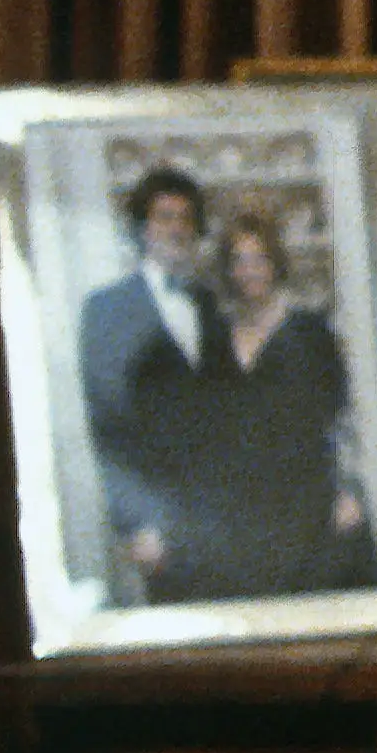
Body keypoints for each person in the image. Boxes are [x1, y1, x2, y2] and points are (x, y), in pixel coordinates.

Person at [154, 207, 377, 603]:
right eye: (239, 260)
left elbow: (344, 421)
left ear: (275, 263)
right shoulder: (215, 341)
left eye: (259, 258)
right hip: (247, 507)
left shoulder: (312, 332)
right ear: (228, 270)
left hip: (311, 500)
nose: (250, 270)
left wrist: (350, 491)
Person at [76, 163, 222, 599]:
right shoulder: (106, 308)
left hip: (225, 517)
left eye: (186, 218)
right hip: (159, 526)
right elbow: (107, 429)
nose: (177, 228)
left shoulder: (212, 304)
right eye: (165, 217)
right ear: (142, 228)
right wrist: (137, 523)